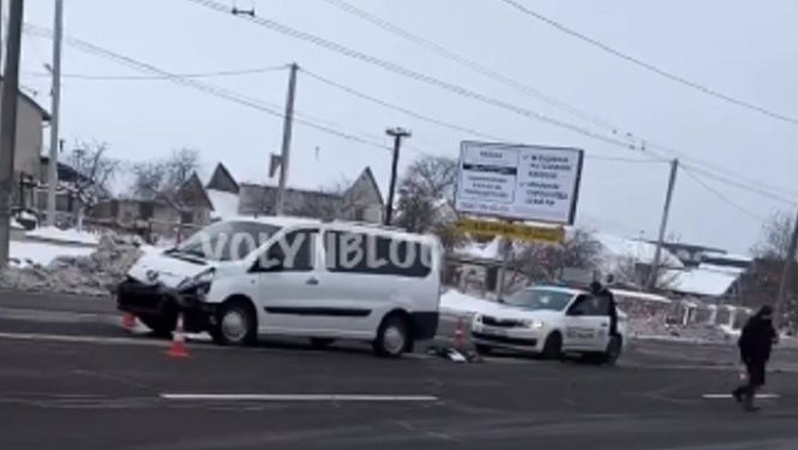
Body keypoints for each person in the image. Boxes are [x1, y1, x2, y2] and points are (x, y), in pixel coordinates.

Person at [732, 305, 778, 412]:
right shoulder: (753, 324)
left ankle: (740, 392)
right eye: (770, 314)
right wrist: (745, 356)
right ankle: (747, 403)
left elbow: (772, 336)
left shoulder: (767, 324)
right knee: (755, 381)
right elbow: (744, 341)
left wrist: (773, 339)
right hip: (752, 356)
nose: (771, 316)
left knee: (757, 381)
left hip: (762, 356)